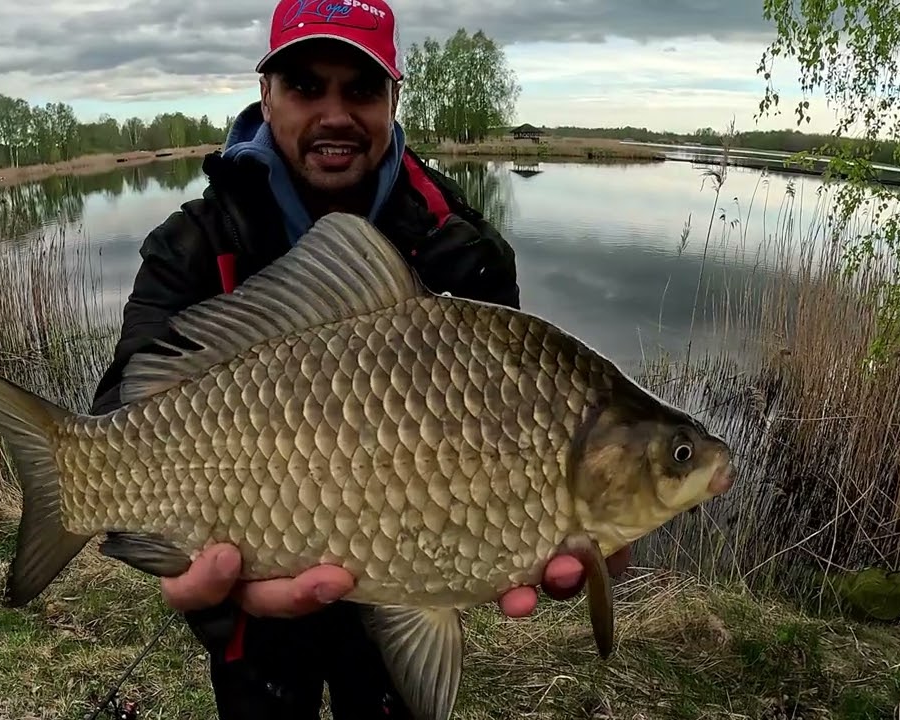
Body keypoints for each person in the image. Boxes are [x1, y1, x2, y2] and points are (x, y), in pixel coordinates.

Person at [88, 0, 631, 716]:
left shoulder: (461, 251)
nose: (335, 113)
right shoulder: (192, 244)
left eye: (362, 89)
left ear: (394, 99)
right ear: (267, 96)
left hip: (409, 580)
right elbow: (120, 419)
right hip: (256, 597)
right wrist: (206, 597)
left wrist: (521, 529)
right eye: (307, 87)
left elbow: (515, 429)